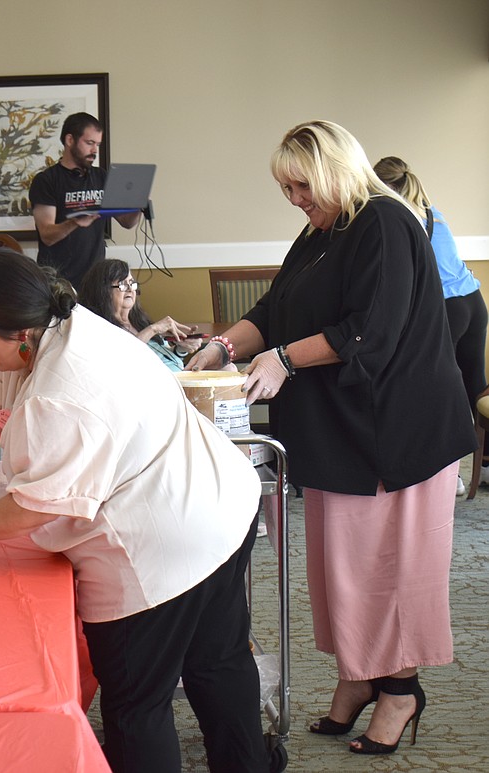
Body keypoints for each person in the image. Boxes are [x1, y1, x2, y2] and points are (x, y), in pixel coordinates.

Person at [0, 250, 281, 773]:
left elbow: (31, 509)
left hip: (162, 542)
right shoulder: (58, 322)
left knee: (138, 703)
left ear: (20, 333)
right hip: (219, 498)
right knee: (219, 662)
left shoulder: (57, 394)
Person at [187, 120, 474, 756]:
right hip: (342, 429)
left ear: (335, 171)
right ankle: (358, 674)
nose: (293, 198)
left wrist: (285, 361)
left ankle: (400, 689)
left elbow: (371, 329)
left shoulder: (385, 223)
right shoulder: (323, 230)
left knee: (389, 567)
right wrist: (223, 347)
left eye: (300, 184)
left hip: (397, 432)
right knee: (342, 567)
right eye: (285, 187)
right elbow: (274, 309)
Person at [374, 155, 487, 495]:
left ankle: (446, 475)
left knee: (434, 392)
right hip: (474, 302)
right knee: (475, 386)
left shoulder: (400, 216)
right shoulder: (429, 209)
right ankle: (483, 466)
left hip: (449, 310)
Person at [29, 112, 142, 289]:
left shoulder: (102, 177)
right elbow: (47, 235)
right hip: (57, 283)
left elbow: (127, 222)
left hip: (96, 280)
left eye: (97, 144)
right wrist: (74, 222)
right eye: (89, 143)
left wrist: (138, 204)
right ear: (69, 140)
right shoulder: (46, 180)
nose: (95, 150)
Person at [77, 258, 203, 371]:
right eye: (122, 284)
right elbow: (121, 362)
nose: (130, 289)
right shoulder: (98, 328)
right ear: (102, 291)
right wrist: (153, 329)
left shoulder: (139, 321)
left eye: (131, 283)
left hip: (179, 381)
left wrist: (181, 349)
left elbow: (164, 359)